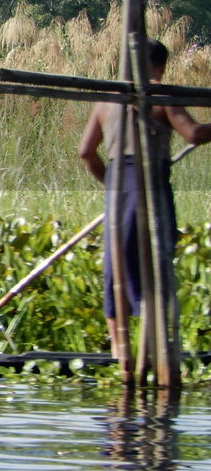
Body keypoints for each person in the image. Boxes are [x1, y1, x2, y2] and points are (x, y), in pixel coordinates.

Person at [78, 40, 211, 368]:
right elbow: (192, 134)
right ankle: (157, 350)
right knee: (156, 260)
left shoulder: (107, 99)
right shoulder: (160, 94)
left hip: (119, 188)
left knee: (117, 264)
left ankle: (120, 352)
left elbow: (86, 152)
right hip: (150, 185)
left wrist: (112, 184)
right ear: (162, 66)